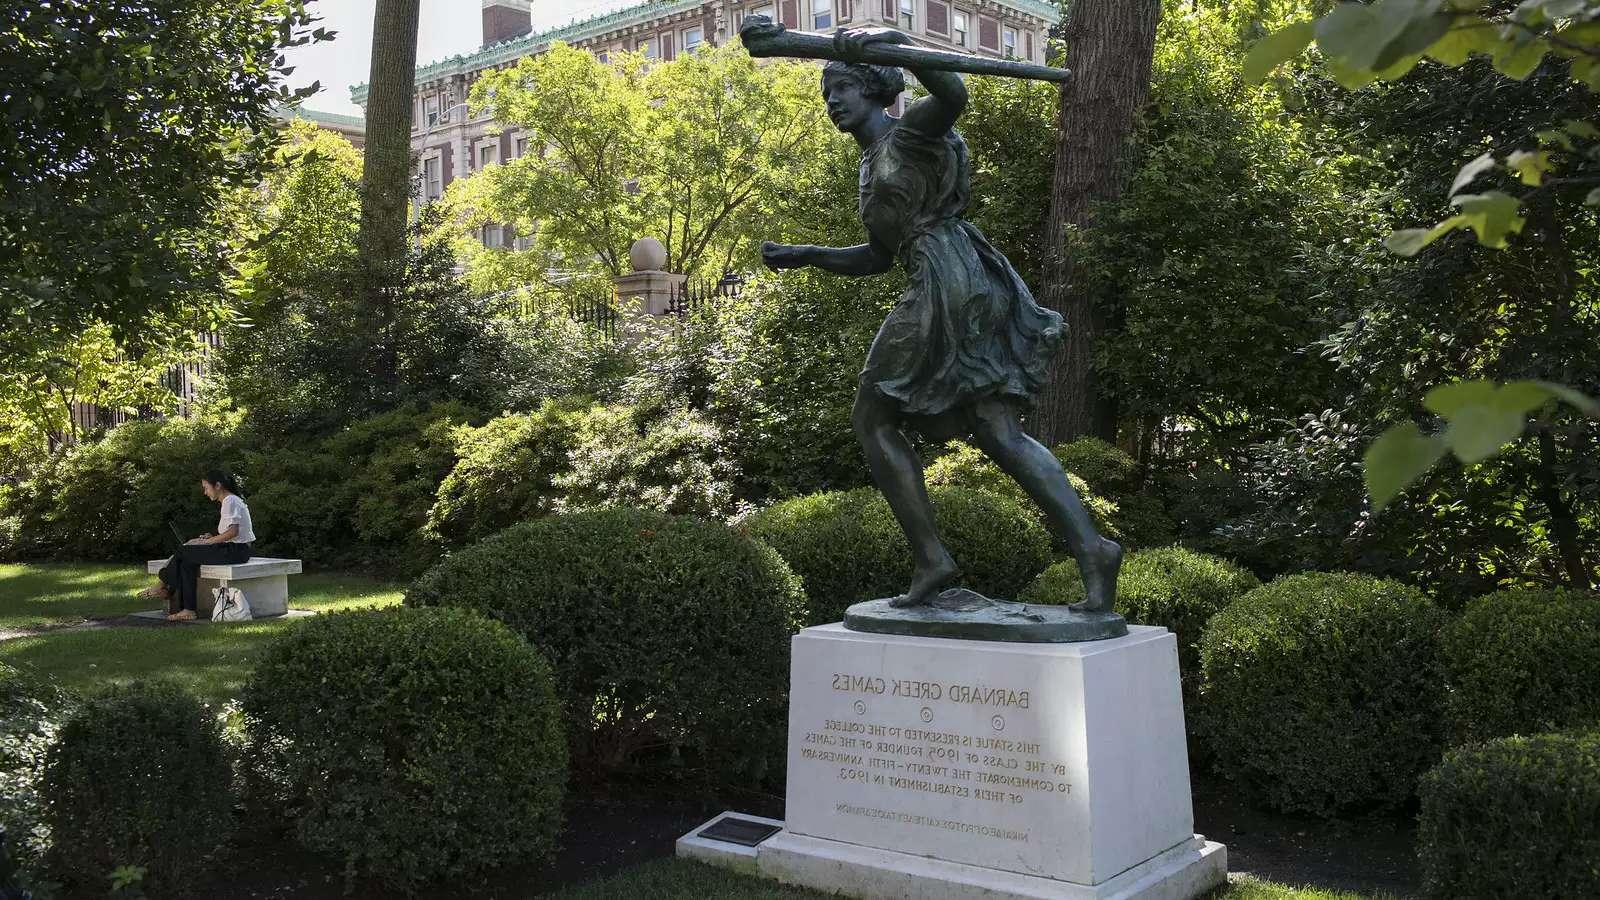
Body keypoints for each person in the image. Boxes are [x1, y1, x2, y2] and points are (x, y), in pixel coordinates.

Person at [758, 26, 1122, 611]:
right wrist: (807, 255)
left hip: (947, 281)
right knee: (998, 433)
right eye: (827, 91)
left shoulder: (911, 136)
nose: (833, 100)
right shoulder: (871, 163)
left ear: (878, 88)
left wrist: (894, 37)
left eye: (845, 86)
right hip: (949, 276)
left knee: (874, 418)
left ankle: (933, 559)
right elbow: (878, 256)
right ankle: (1092, 548)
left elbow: (953, 98)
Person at [139, 470, 255, 621]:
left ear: (218, 485)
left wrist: (208, 542)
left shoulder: (229, 501)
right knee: (187, 562)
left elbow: (233, 532)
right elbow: (232, 533)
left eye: (206, 487)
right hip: (235, 549)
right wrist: (211, 538)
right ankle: (188, 610)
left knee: (183, 550)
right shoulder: (231, 500)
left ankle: (163, 585)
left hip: (236, 551)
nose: (205, 492)